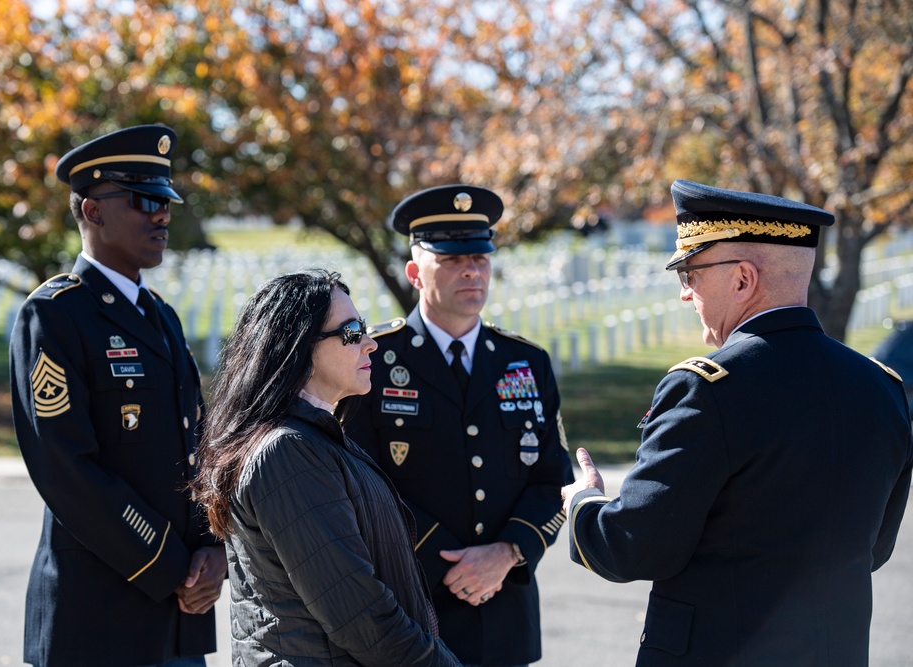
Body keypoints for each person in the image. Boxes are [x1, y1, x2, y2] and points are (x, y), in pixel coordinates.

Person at [562, 179, 913, 666]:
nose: (686, 294)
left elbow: (635, 548)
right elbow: (873, 548)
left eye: (690, 274)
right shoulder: (882, 389)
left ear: (743, 279)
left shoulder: (707, 390)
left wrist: (585, 504)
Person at [9, 125, 226, 667]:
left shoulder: (162, 319)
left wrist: (211, 549)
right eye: (144, 200)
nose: (162, 214)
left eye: (166, 201)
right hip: (97, 619)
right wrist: (170, 561)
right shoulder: (56, 315)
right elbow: (67, 468)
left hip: (178, 616)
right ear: (93, 211)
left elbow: (194, 447)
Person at [340, 185, 576, 666]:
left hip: (504, 614)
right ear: (413, 273)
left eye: (480, 257)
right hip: (409, 610)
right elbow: (357, 483)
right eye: (450, 259)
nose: (471, 269)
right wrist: (446, 560)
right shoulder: (373, 360)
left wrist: (508, 552)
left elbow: (554, 483)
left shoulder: (525, 362)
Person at [190, 269, 460, 666]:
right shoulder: (285, 454)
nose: (370, 344)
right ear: (298, 348)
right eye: (351, 333)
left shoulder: (317, 439)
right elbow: (358, 614)